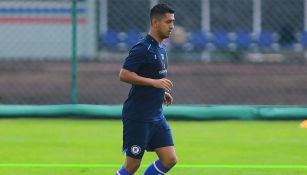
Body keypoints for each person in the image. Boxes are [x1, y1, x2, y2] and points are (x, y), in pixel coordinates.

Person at [115, 3, 177, 175]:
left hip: (156, 115)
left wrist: (160, 92)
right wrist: (154, 83)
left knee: (169, 159)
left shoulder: (161, 49)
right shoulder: (142, 48)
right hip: (138, 116)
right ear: (155, 22)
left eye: (173, 22)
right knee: (132, 164)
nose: (172, 26)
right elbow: (124, 74)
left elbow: (151, 78)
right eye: (168, 22)